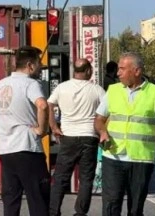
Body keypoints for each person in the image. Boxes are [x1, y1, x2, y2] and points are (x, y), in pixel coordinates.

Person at [94, 52, 155, 216]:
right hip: (114, 157)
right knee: (111, 204)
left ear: (137, 71)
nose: (118, 73)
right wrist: (103, 131)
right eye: (118, 69)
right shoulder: (113, 90)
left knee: (136, 207)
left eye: (123, 69)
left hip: (141, 159)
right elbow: (99, 119)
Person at [0, 46, 50, 216]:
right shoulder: (31, 84)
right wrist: (41, 129)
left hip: (6, 149)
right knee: (38, 197)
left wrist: (2, 120)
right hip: (27, 148)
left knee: (11, 198)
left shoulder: (1, 84)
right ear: (30, 65)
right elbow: (42, 105)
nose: (40, 67)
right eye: (38, 63)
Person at [48, 58, 106, 216]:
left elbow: (49, 105)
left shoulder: (62, 87)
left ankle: (53, 212)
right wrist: (103, 131)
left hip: (68, 137)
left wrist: (54, 127)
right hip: (89, 137)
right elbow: (108, 111)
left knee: (60, 177)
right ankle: (80, 213)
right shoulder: (97, 90)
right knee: (86, 178)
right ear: (88, 71)